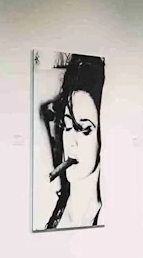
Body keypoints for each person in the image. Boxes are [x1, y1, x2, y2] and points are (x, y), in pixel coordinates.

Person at [39, 54, 104, 229]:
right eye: (67, 127)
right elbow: (34, 91)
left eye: (85, 130)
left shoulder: (107, 216)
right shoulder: (51, 202)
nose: (72, 143)